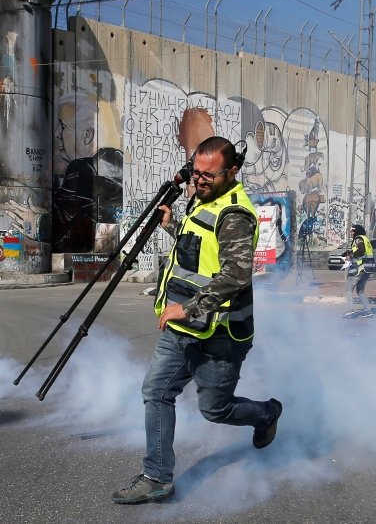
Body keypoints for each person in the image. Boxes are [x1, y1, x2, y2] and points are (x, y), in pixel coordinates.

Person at [113, 137, 281, 505]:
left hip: (219, 333)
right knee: (156, 392)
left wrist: (187, 308)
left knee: (214, 409)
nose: (199, 181)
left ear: (232, 170)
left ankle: (267, 414)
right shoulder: (202, 199)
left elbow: (235, 275)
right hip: (182, 329)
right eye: (195, 173)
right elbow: (198, 250)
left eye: (208, 175)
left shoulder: (235, 214)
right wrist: (172, 226)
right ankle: (157, 477)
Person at [343, 224, 375, 319]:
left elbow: (360, 249)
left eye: (352, 232)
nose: (351, 233)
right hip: (368, 269)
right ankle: (368, 310)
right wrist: (350, 252)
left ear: (356, 232)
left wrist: (350, 256)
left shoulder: (358, 238)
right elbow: (362, 251)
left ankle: (350, 310)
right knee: (360, 291)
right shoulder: (366, 239)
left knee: (348, 289)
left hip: (360, 268)